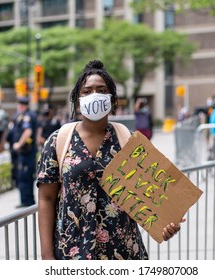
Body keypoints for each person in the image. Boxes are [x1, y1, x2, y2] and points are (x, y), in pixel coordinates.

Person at [36, 59, 183, 260]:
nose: (94, 95)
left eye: (101, 90)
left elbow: (151, 198)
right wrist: (46, 256)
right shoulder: (58, 141)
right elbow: (46, 198)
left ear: (112, 99)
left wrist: (166, 224)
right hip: (72, 254)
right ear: (78, 99)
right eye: (87, 91)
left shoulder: (128, 140)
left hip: (124, 253)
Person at [12, 97, 38, 208]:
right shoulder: (25, 115)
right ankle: (27, 200)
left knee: (24, 176)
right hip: (26, 152)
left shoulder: (27, 116)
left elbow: (28, 131)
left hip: (27, 152)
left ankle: (27, 201)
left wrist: (19, 144)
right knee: (25, 175)